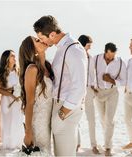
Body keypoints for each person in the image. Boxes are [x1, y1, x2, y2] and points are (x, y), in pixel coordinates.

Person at [33, 15, 87, 156]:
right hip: (60, 107)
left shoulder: (73, 49)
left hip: (66, 109)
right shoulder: (62, 48)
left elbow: (80, 86)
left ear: (52, 34)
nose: (42, 41)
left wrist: (62, 113)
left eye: (42, 38)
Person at [19, 36, 54, 154]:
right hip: (39, 122)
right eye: (37, 41)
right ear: (32, 50)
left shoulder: (48, 66)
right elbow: (29, 103)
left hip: (50, 121)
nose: (42, 40)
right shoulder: (32, 69)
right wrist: (28, 132)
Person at [94, 42, 126, 156]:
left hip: (112, 93)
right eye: (109, 57)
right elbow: (89, 74)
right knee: (103, 120)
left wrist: (111, 80)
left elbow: (124, 81)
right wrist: (93, 87)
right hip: (98, 93)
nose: (110, 59)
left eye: (113, 56)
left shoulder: (120, 62)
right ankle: (107, 141)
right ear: (105, 52)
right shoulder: (96, 59)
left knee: (109, 120)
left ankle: (108, 147)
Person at [0, 50, 24, 149]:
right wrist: (11, 94)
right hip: (7, 101)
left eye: (14, 55)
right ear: (7, 59)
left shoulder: (19, 70)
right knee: (7, 121)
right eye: (12, 56)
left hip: (18, 100)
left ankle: (17, 143)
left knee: (17, 120)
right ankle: (8, 144)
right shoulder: (1, 73)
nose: (14, 57)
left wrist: (19, 94)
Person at [77, 35, 99, 154]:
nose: (90, 47)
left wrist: (93, 88)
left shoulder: (91, 58)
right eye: (89, 45)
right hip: (77, 91)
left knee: (91, 119)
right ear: (83, 44)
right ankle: (77, 143)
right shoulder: (76, 55)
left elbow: (92, 75)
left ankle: (93, 144)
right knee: (76, 118)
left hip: (89, 91)